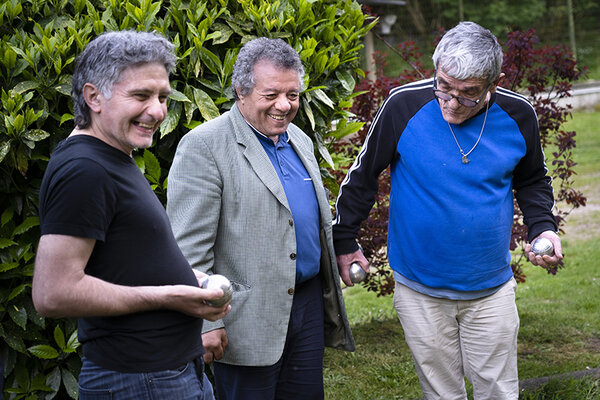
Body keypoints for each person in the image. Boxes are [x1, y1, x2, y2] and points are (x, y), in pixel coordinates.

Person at [333, 21, 563, 400]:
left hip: (490, 288)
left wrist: (543, 227)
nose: (452, 103)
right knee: (442, 394)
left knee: (499, 392)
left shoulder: (519, 115)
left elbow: (534, 180)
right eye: (444, 87)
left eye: (469, 94)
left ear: (494, 83)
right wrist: (345, 240)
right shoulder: (404, 105)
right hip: (419, 288)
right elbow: (363, 175)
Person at [32, 30, 230, 400]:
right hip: (140, 381)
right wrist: (168, 295)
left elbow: (123, 258)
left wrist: (189, 278)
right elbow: (53, 293)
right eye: (141, 95)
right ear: (94, 97)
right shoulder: (85, 170)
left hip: (163, 374)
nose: (157, 111)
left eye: (162, 97)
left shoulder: (112, 155)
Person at [166, 37, 355, 400]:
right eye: (271, 95)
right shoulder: (204, 146)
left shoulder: (298, 138)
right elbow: (187, 250)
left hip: (306, 305)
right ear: (241, 90)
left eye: (293, 95)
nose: (284, 106)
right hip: (244, 318)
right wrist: (207, 321)